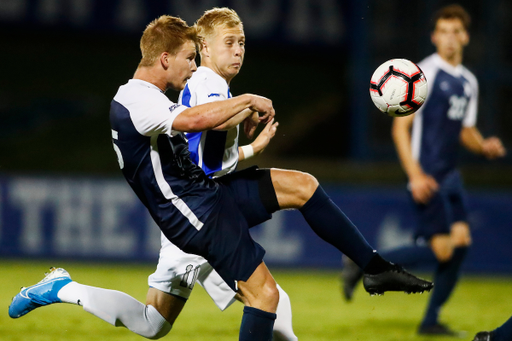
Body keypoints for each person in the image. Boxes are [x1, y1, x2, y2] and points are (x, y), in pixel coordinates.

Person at [9, 14, 432, 341]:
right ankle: (63, 288)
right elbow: (193, 122)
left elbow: (195, 153)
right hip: (192, 212)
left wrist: (246, 146)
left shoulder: (146, 96)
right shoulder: (146, 100)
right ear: (164, 59)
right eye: (190, 58)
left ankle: (374, 267)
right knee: (266, 298)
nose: (193, 68)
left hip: (198, 199)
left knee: (154, 322)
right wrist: (247, 102)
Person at [342, 4, 506, 336]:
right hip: (428, 173)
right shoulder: (422, 75)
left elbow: (465, 131)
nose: (449, 38)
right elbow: (401, 130)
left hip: (451, 175)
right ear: (434, 37)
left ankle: (430, 321)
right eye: (442, 32)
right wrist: (415, 175)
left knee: (459, 246)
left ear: (465, 36)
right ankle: (364, 262)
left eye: (455, 31)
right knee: (444, 248)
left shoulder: (468, 81)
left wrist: (484, 145)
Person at [149, 8, 296, 340]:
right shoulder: (207, 82)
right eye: (229, 42)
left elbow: (210, 161)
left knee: (269, 298)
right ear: (204, 46)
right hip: (198, 215)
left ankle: (63, 289)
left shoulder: (218, 90)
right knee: (151, 323)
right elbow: (215, 122)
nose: (238, 50)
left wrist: (254, 148)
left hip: (206, 211)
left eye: (242, 42)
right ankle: (64, 289)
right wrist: (249, 102)